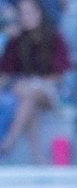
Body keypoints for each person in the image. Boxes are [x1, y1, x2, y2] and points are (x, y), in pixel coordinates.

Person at [0, 0, 69, 164]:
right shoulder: (15, 41)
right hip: (25, 92)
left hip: (51, 92)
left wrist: (35, 82)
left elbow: (60, 74)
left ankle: (8, 142)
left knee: (31, 93)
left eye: (30, 12)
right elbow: (6, 73)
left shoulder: (54, 37)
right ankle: (37, 157)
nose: (26, 17)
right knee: (29, 100)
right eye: (23, 14)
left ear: (39, 13)